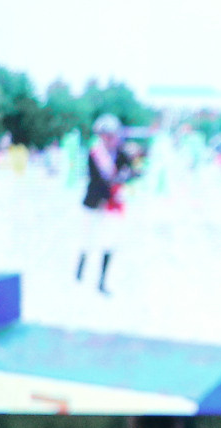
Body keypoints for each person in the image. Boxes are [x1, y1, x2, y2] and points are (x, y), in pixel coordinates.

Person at [75, 114, 134, 295]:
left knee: (109, 241)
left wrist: (127, 178)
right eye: (106, 135)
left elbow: (130, 171)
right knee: (87, 240)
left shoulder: (121, 153)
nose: (110, 139)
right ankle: (79, 274)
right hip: (94, 203)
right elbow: (97, 180)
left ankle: (101, 281)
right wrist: (114, 188)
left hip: (111, 206)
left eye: (112, 135)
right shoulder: (95, 154)